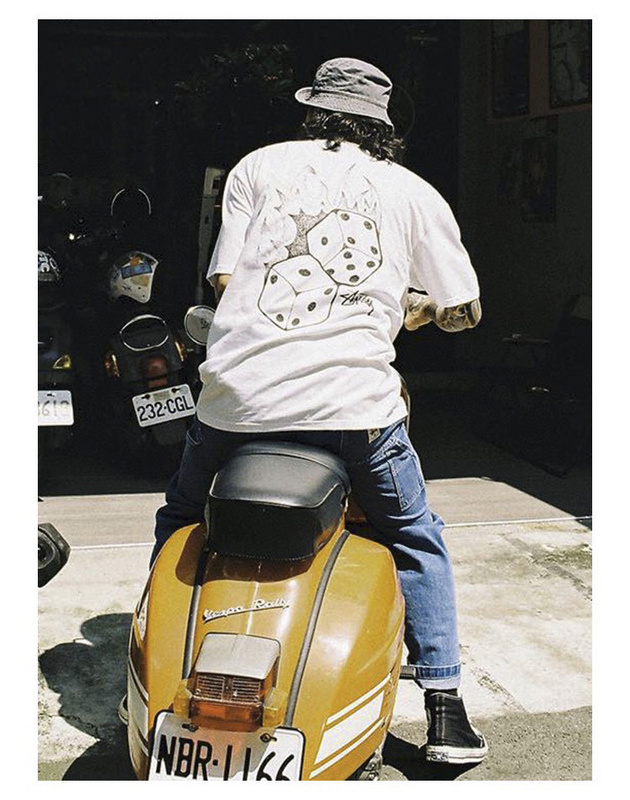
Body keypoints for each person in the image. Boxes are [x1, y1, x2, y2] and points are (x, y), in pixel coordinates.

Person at [152, 57, 486, 765]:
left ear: (313, 112)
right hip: (354, 411)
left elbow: (225, 278)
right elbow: (464, 309)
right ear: (384, 126)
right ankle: (445, 708)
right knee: (416, 536)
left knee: (181, 520)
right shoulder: (413, 191)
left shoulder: (256, 167)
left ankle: (153, 669)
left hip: (235, 403)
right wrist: (414, 309)